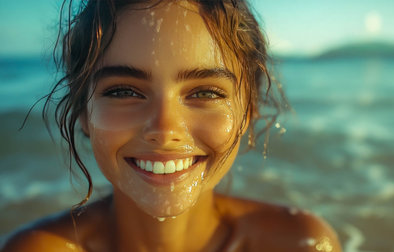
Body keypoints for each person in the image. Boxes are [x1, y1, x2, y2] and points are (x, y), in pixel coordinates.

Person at [2, 0, 341, 251]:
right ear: (83, 113)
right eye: (123, 91)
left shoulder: (300, 243)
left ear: (248, 111)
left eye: (205, 91)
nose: (164, 129)